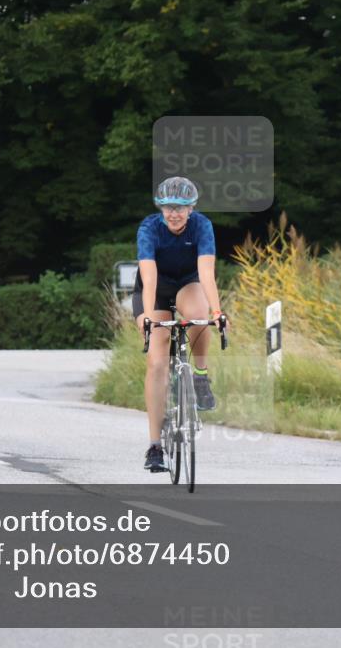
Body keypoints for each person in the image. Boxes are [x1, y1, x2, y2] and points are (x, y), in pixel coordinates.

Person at [134, 176, 224, 472]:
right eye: (168, 207)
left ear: (191, 208)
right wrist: (147, 315)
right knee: (157, 363)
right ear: (160, 208)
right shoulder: (150, 228)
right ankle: (155, 445)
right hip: (156, 290)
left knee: (200, 313)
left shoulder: (202, 226)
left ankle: (199, 374)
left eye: (181, 207)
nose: (174, 213)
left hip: (188, 282)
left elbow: (206, 272)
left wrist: (218, 312)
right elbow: (148, 277)